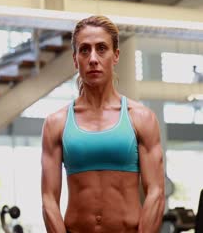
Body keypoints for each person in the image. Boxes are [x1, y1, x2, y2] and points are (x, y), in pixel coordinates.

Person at [41, 15, 165, 233]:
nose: (93, 58)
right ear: (75, 59)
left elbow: (155, 192)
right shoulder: (56, 123)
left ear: (115, 55)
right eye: (85, 50)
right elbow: (49, 199)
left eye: (101, 48)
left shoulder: (141, 118)